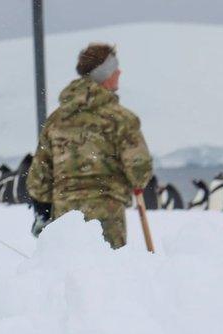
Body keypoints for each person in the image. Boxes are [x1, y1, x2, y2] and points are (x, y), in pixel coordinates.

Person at [28, 43, 153, 249]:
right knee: (107, 274)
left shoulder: (56, 120)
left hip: (65, 218)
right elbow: (139, 170)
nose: (119, 72)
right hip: (107, 215)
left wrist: (46, 207)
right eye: (115, 68)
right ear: (104, 75)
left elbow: (38, 179)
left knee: (70, 275)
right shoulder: (121, 119)